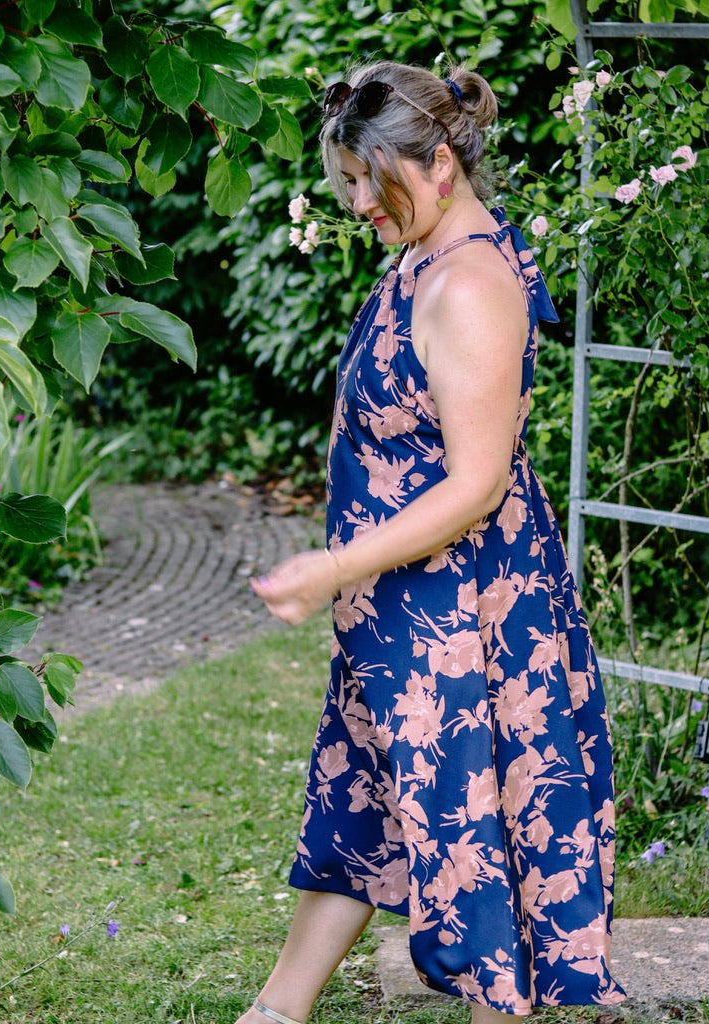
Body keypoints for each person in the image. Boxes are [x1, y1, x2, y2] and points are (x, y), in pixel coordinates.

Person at [246, 60, 626, 1024]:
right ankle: (276, 1010)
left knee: (477, 845)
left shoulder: (470, 286)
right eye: (347, 183)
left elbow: (476, 483)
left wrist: (334, 565)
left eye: (373, 181)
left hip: (463, 619)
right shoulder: (424, 255)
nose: (359, 203)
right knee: (362, 804)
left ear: (443, 165)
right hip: (402, 612)